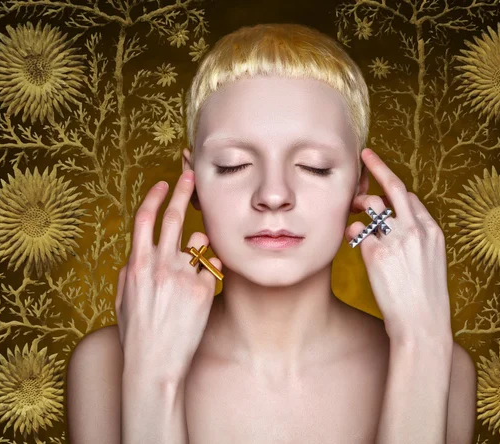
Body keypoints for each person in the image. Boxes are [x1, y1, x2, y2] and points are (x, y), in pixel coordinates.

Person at [66, 23, 477, 444]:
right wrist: (152, 375)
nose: (274, 194)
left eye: (314, 166)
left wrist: (422, 345)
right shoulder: (105, 364)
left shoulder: (442, 363)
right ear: (193, 181)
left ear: (359, 184)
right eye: (233, 164)